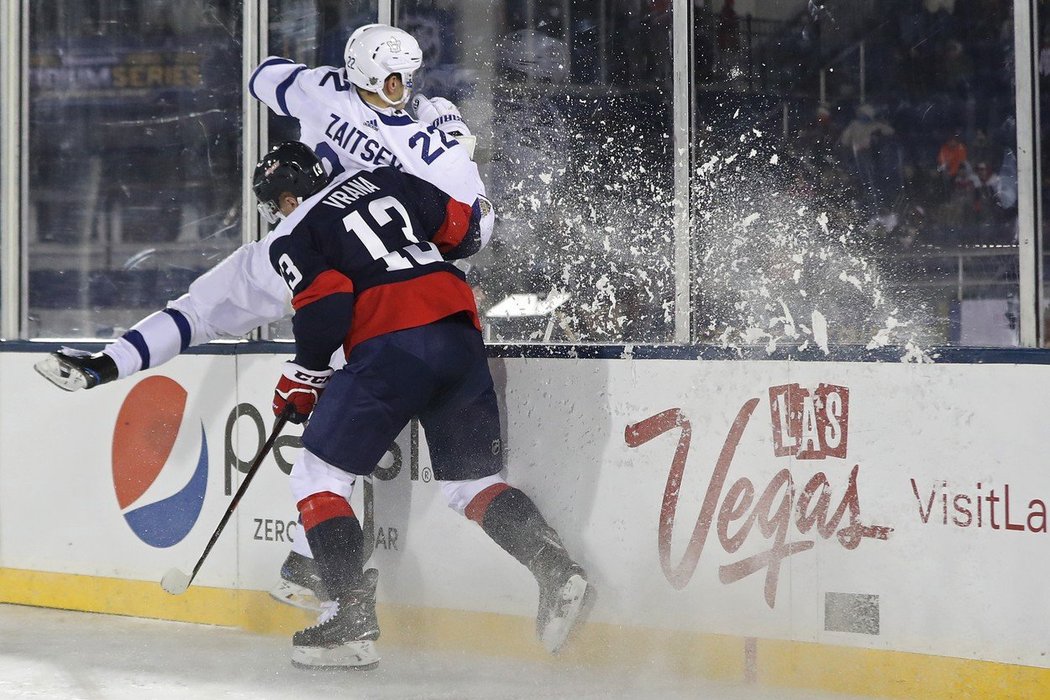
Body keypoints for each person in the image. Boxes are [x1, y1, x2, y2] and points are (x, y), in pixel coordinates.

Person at [39, 142, 593, 668]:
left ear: (281, 201)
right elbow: (467, 231)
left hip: (391, 344)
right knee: (472, 484)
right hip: (459, 334)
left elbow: (322, 300)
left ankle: (348, 618)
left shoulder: (293, 234)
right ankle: (558, 572)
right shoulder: (386, 180)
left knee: (317, 477)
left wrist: (304, 372)